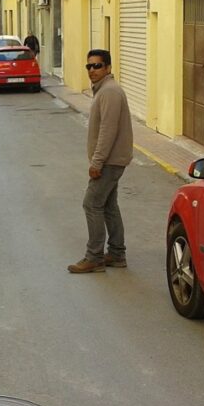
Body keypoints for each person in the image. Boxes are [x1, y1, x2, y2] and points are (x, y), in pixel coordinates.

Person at [68, 49, 133, 273]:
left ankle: (94, 256)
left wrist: (97, 163)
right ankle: (116, 254)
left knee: (92, 203)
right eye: (89, 66)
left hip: (110, 161)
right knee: (108, 206)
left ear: (108, 68)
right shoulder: (105, 90)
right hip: (112, 160)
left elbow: (108, 130)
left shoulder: (110, 92)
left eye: (97, 66)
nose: (92, 70)